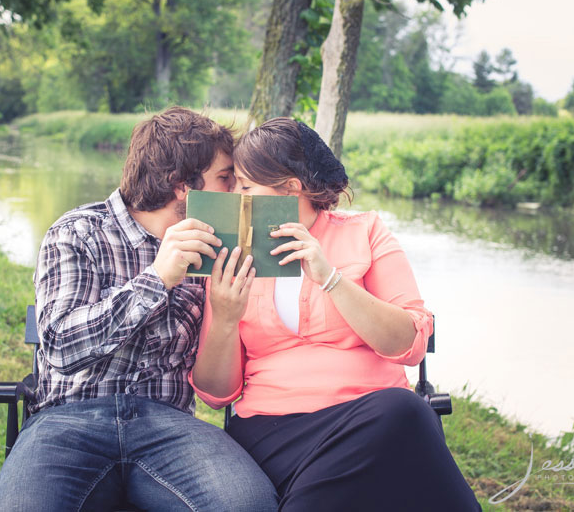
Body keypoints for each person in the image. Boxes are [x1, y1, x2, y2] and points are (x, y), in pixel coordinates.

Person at [0, 107, 278, 512]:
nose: (236, 194)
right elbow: (60, 347)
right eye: (226, 179)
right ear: (182, 186)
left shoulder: (219, 248)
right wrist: (158, 277)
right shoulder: (77, 232)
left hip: (168, 427)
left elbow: (223, 373)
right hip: (68, 421)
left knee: (249, 504)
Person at [190, 117, 482, 511]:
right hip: (274, 426)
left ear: (289, 189)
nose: (236, 198)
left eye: (246, 186)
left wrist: (331, 279)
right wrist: (225, 317)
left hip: (373, 417)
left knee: (403, 411)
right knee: (404, 428)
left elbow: (411, 346)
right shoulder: (232, 255)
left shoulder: (366, 232)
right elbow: (215, 392)